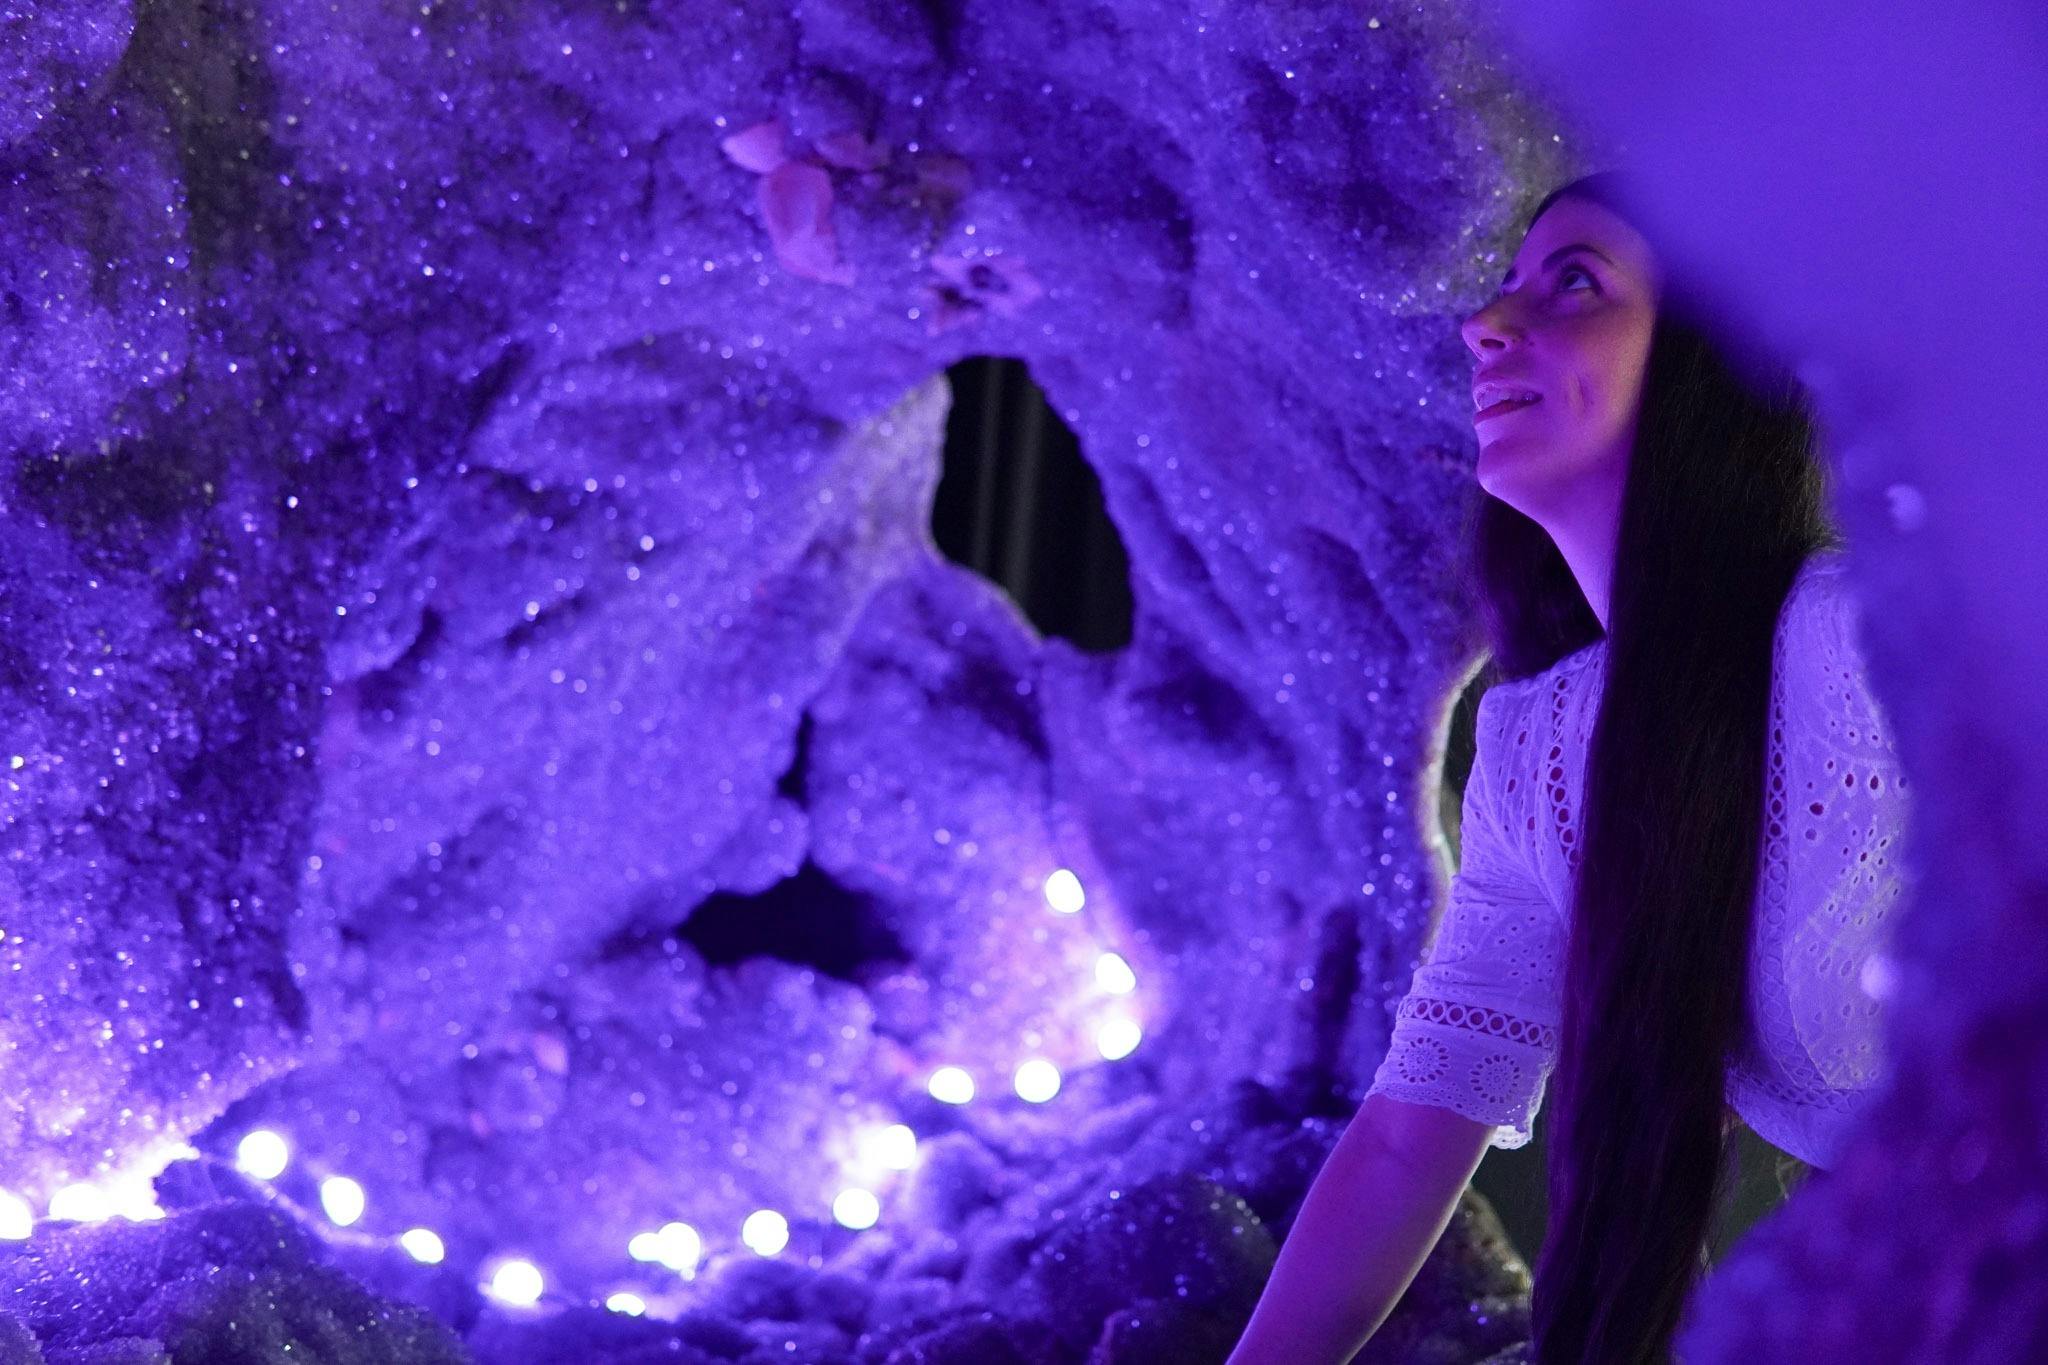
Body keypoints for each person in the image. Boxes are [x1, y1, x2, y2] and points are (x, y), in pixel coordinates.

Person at [1225, 171, 1913, 1364]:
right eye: (1502, 287)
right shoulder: (1538, 750)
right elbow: (1405, 1134)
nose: (1484, 324)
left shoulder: (1868, 646)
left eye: (1575, 281)